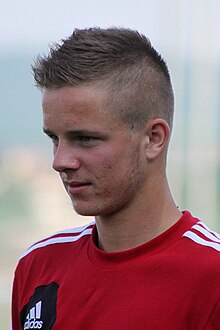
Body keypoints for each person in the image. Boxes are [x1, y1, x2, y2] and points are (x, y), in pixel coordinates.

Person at [12, 27, 220, 330]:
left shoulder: (211, 277)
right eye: (54, 138)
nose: (60, 162)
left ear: (153, 138)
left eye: (85, 138)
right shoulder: (38, 265)